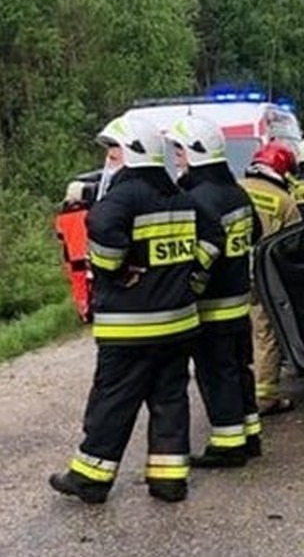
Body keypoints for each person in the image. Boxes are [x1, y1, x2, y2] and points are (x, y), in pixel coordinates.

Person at [49, 115, 225, 504]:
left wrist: (113, 269)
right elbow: (214, 237)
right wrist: (191, 279)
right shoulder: (181, 197)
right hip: (178, 323)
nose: (111, 159)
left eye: (114, 150)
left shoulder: (124, 197)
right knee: (170, 402)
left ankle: (90, 478)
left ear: (131, 152)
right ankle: (168, 481)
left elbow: (100, 225)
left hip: (130, 329)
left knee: (112, 401)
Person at [166, 116, 263, 468]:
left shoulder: (199, 198)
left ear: (194, 152)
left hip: (212, 307)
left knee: (216, 375)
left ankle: (228, 445)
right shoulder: (235, 191)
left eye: (179, 149)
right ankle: (250, 436)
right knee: (239, 370)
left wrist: (187, 286)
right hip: (238, 303)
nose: (176, 155)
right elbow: (256, 233)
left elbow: (205, 253)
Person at [240, 141, 302, 415]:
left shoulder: (236, 188)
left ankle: (233, 394)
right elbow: (294, 246)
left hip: (228, 276)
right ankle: (265, 398)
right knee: (265, 335)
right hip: (263, 279)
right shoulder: (285, 202)